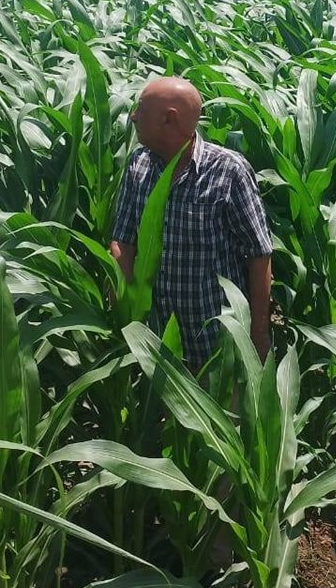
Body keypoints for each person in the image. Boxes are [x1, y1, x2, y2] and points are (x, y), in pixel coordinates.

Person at [110, 77, 274, 371]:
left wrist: (258, 336)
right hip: (155, 340)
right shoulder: (139, 164)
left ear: (169, 119)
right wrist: (123, 311)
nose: (133, 116)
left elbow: (259, 255)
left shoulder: (228, 170)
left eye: (142, 109)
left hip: (217, 342)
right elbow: (123, 240)